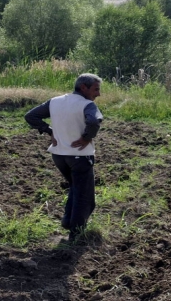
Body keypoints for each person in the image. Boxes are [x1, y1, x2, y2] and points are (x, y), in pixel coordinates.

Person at [24, 73, 103, 243]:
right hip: (80, 157)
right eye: (96, 89)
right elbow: (95, 122)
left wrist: (49, 131)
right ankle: (76, 234)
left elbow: (30, 116)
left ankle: (68, 221)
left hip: (59, 156)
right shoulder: (87, 105)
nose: (98, 94)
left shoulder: (55, 101)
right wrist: (88, 137)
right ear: (84, 87)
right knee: (85, 197)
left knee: (75, 187)